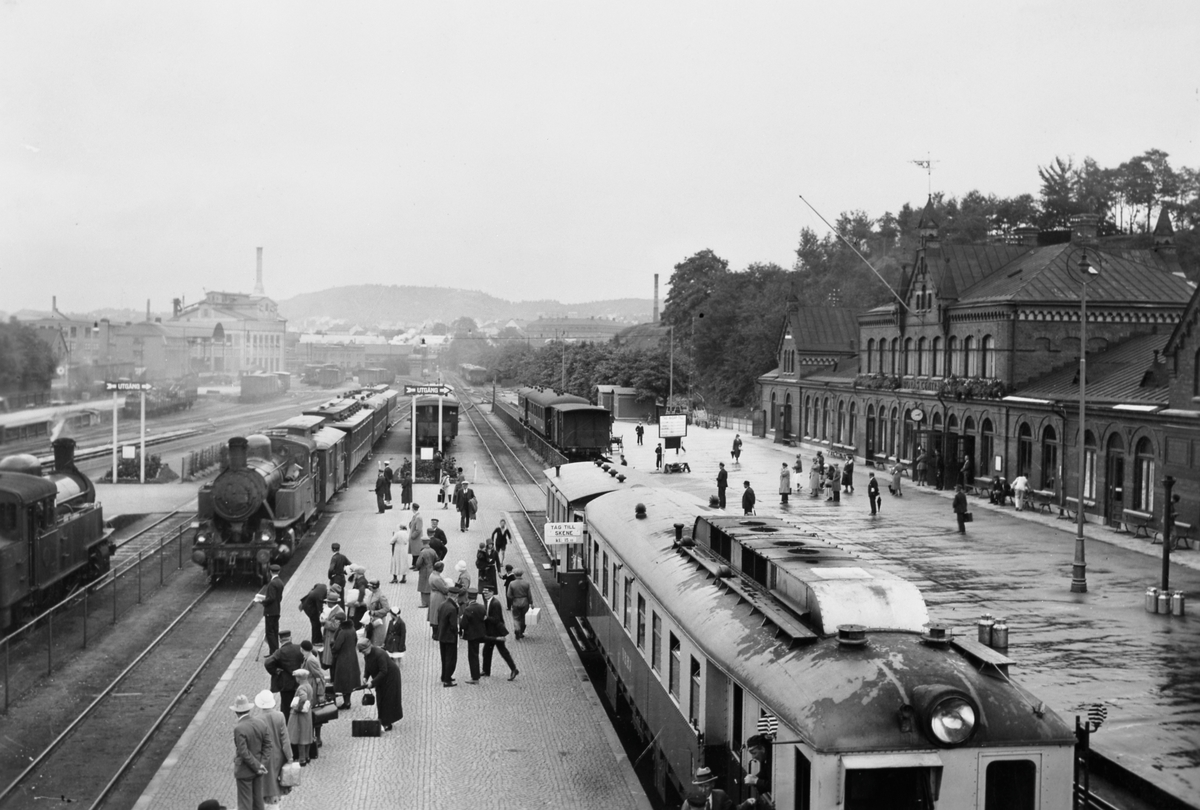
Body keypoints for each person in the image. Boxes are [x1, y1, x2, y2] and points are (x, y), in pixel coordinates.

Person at [231, 694, 271, 810]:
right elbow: (268, 745)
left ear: (236, 712)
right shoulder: (260, 723)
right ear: (248, 709)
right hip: (259, 770)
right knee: (258, 802)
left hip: (244, 771)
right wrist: (261, 764)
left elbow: (243, 752)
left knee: (245, 804)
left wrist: (257, 766)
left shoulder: (239, 728)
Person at [252, 691, 290, 808]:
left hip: (263, 758)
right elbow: (285, 739)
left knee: (266, 785)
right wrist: (290, 757)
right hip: (279, 756)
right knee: (276, 786)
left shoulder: (256, 720)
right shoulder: (280, 716)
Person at [360, 637, 403, 731]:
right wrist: (365, 677)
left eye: (364, 651)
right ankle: (382, 719)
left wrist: (372, 682)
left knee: (388, 699)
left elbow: (383, 671)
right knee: (380, 698)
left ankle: (387, 723)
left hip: (391, 677)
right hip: (381, 678)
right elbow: (368, 666)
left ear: (368, 648)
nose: (363, 654)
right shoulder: (367, 655)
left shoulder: (379, 654)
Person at [263, 629, 304, 724]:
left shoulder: (280, 652)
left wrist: (275, 671)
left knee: (286, 707)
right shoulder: (299, 648)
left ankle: (287, 725)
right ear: (290, 638)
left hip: (286, 685)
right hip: (299, 683)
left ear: (280, 640)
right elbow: (313, 653)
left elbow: (268, 662)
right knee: (300, 703)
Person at [480, 583, 518, 680]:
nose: (485, 595)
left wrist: (486, 618)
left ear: (492, 593)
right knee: (486, 651)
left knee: (503, 652)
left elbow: (496, 619)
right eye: (484, 593)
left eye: (487, 593)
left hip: (496, 632)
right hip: (490, 631)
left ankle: (514, 669)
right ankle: (486, 670)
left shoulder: (495, 603)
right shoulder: (488, 601)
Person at [686, 765, 756, 809]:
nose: (703, 790)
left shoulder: (720, 796)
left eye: (706, 786)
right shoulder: (690, 801)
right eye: (700, 786)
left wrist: (747, 803)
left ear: (712, 784)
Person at [299, 640, 326, 752]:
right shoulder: (308, 658)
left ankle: (317, 738)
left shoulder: (310, 660)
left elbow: (320, 677)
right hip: (310, 688)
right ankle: (314, 737)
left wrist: (320, 693)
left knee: (314, 713)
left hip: (313, 690)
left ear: (302, 649)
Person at [285, 668, 314, 766]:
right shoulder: (308, 685)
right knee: (307, 734)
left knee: (300, 736)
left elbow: (303, 698)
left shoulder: (301, 687)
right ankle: (307, 756)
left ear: (299, 678)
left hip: (301, 714)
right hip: (307, 713)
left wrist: (298, 708)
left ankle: (302, 759)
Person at [330, 619, 360, 709]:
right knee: (349, 681)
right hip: (352, 657)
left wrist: (332, 647)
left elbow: (337, 646)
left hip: (343, 659)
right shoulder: (353, 629)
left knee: (343, 681)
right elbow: (355, 641)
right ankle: (348, 701)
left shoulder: (343, 632)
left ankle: (346, 702)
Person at [437, 583, 463, 686]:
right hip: (450, 637)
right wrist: (458, 632)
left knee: (444, 657)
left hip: (442, 635)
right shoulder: (452, 608)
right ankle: (447, 680)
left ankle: (444, 676)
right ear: (456, 596)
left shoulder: (442, 604)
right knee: (451, 658)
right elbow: (453, 625)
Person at [459, 588, 487, 684]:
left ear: (468, 597)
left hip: (471, 636)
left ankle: (475, 677)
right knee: (476, 654)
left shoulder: (468, 609)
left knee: (472, 656)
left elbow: (463, 625)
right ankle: (476, 675)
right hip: (480, 634)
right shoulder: (482, 607)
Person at [743, 734, 773, 807]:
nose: (753, 757)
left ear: (762, 749)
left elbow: (774, 785)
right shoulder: (766, 756)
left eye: (754, 753)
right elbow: (765, 772)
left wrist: (756, 781)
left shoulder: (773, 758)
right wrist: (754, 777)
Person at [261, 565, 284, 654]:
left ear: (270, 572)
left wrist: (263, 601)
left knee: (269, 632)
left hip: (270, 612)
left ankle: (274, 653)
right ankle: (274, 651)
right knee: (275, 631)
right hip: (277, 610)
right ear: (279, 572)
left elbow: (271, 598)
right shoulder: (280, 582)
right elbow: (279, 597)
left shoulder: (272, 583)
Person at [320, 594, 345, 670]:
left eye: (328, 602)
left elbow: (336, 626)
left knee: (332, 660)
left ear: (331, 602)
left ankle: (333, 678)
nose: (327, 603)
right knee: (330, 660)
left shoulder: (338, 611)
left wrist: (325, 622)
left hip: (333, 637)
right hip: (329, 637)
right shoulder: (334, 610)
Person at [298, 581, 327, 647]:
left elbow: (316, 585)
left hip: (307, 603)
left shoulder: (323, 586)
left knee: (317, 623)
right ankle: (315, 641)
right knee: (315, 623)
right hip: (309, 608)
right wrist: (322, 616)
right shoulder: (320, 596)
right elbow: (320, 608)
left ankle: (319, 638)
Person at [507, 569, 533, 639]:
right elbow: (529, 595)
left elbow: (509, 595)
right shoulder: (526, 583)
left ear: (515, 575)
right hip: (525, 602)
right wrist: (531, 603)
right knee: (524, 618)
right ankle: (521, 632)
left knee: (516, 617)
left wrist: (513, 600)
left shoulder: (512, 583)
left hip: (515, 602)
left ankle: (517, 629)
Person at [428, 561, 450, 639]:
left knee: (434, 613)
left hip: (434, 595)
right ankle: (436, 634)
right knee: (437, 614)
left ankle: (435, 633)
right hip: (438, 596)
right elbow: (444, 589)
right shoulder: (437, 578)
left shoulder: (432, 575)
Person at [366, 581, 391, 646]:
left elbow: (387, 609)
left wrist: (374, 612)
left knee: (377, 641)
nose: (369, 588)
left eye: (370, 586)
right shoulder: (372, 594)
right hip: (371, 620)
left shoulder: (381, 596)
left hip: (378, 621)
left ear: (374, 587)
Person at [416, 539, 438, 608]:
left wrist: (418, 567)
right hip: (431, 568)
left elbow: (418, 563)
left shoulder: (423, 552)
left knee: (423, 586)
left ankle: (425, 602)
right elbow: (437, 559)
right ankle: (430, 601)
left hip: (424, 570)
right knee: (429, 585)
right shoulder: (433, 551)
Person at [407, 503, 425, 571]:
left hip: (416, 538)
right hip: (414, 538)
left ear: (413, 508)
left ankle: (417, 566)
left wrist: (412, 536)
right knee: (414, 552)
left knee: (417, 552)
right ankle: (414, 564)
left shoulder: (418, 517)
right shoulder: (415, 516)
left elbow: (419, 529)